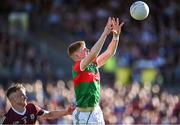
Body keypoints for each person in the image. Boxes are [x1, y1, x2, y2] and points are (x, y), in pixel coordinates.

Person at [67, 17, 124, 124]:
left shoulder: (93, 65)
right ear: (77, 55)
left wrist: (116, 36)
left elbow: (109, 53)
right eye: (84, 49)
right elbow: (93, 53)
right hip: (83, 115)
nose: (87, 49)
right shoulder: (78, 66)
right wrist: (105, 33)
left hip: (97, 112)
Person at [0, 84, 75, 124]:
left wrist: (67, 112)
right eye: (22, 95)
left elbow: (49, 115)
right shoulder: (7, 119)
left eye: (25, 94)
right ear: (13, 100)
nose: (25, 97)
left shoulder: (32, 107)